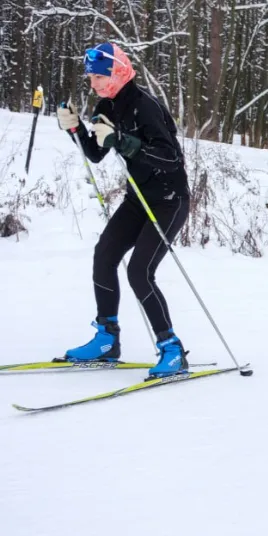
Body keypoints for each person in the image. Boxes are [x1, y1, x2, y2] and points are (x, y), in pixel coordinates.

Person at [55, 42, 191, 379]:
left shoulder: (146, 106)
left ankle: (172, 349)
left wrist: (125, 142)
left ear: (118, 71)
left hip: (169, 199)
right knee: (104, 256)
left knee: (139, 272)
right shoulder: (106, 106)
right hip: (137, 198)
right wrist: (76, 129)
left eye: (100, 77)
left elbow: (170, 157)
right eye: (91, 77)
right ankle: (107, 339)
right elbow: (97, 153)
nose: (94, 84)